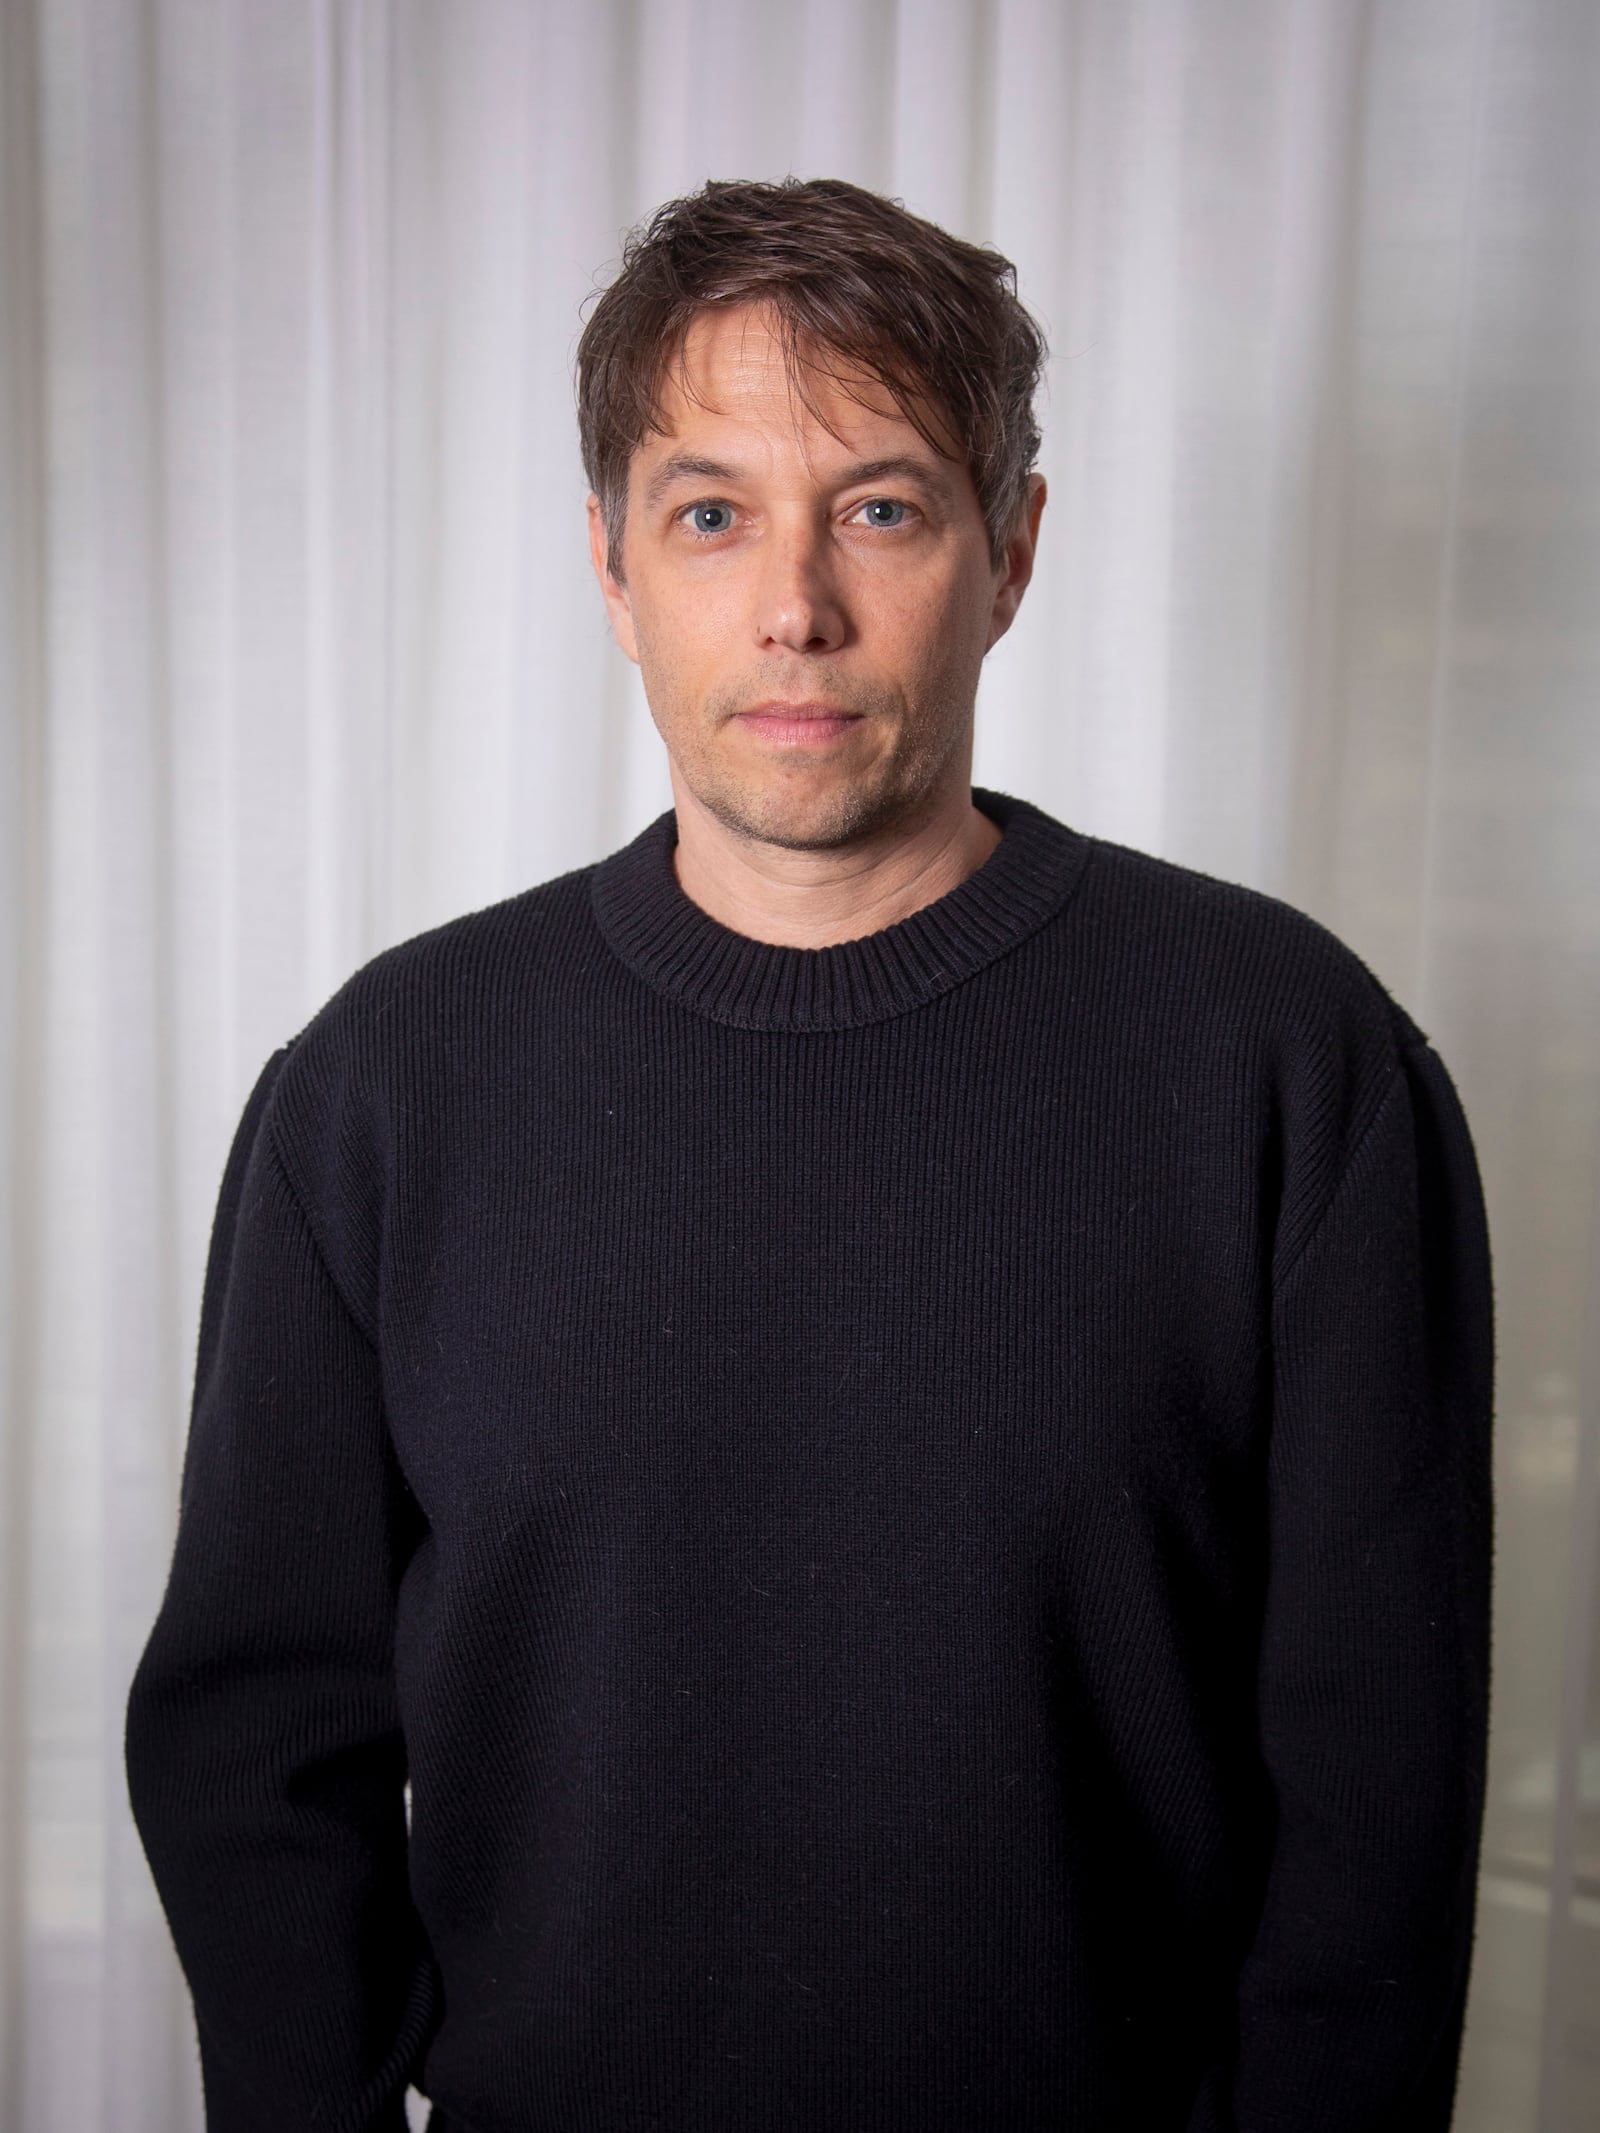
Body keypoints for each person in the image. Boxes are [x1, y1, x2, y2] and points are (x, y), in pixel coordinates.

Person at [126, 177, 1494, 2133]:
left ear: (1009, 550)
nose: (794, 603)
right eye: (709, 513)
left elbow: (1373, 1808)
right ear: (607, 561)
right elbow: (259, 1749)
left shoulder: (1292, 1064)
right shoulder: (381, 1089)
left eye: (878, 503)